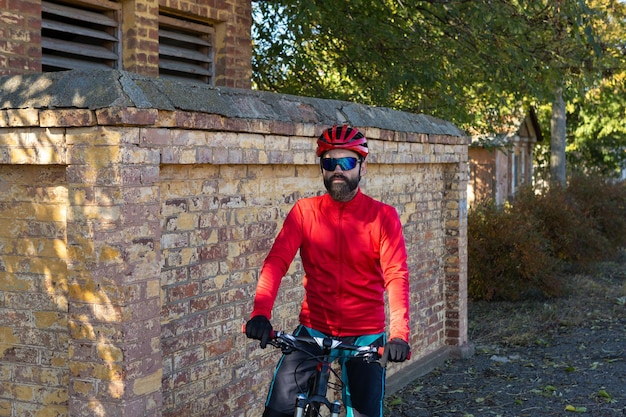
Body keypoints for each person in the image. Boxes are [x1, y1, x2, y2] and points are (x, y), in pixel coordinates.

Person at [245, 124, 411, 417]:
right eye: (329, 162)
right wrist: (260, 313)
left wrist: (399, 335)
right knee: (277, 410)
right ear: (321, 167)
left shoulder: (383, 217)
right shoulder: (304, 211)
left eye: (346, 162)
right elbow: (276, 262)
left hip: (364, 334)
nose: (338, 170)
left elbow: (396, 276)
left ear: (362, 166)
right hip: (313, 328)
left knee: (363, 413)